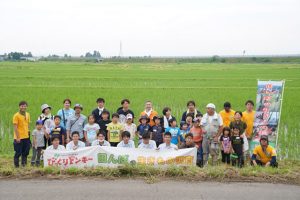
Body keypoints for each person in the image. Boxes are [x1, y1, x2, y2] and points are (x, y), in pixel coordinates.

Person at [13, 101, 31, 168]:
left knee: (25, 152)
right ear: (19, 107)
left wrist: (29, 135)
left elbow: (28, 125)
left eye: (25, 106)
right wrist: (18, 137)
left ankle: (24, 165)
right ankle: (16, 166)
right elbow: (15, 127)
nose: (23, 107)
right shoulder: (16, 115)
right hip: (19, 137)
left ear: (26, 106)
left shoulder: (27, 114)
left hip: (26, 137)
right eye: (22, 106)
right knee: (18, 152)